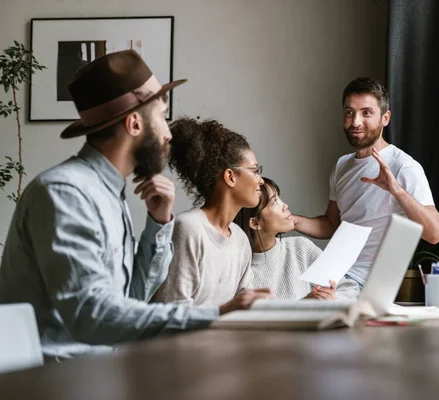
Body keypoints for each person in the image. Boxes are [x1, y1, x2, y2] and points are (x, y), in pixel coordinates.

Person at [0, 50, 269, 361]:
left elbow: (133, 298)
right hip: (53, 381)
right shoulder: (66, 194)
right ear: (134, 124)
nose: (169, 133)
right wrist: (216, 315)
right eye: (161, 116)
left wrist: (158, 224)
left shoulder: (110, 197)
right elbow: (92, 316)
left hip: (99, 371)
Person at [293, 77, 439, 288]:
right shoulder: (342, 165)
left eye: (366, 113)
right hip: (336, 274)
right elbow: (332, 223)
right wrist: (292, 221)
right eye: (349, 112)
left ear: (385, 118)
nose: (355, 122)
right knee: (290, 257)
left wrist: (396, 190)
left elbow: (435, 233)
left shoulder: (404, 166)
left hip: (368, 285)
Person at [152, 117, 270, 310]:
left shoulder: (240, 240)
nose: (261, 181)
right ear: (230, 176)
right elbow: (170, 314)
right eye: (255, 171)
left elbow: (245, 310)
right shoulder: (188, 228)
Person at [235, 177, 360, 300]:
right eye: (274, 202)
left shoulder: (300, 248)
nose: (285, 205)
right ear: (255, 223)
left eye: (279, 198)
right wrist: (305, 305)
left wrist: (331, 299)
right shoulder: (239, 269)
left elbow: (350, 289)